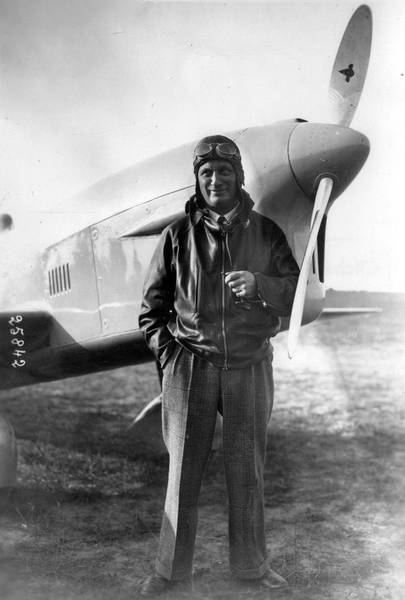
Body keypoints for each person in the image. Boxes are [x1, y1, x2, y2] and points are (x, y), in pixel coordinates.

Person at [138, 135, 299, 596]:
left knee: (247, 471)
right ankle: (170, 572)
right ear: (198, 179)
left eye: (223, 172)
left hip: (249, 365)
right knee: (183, 472)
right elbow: (151, 312)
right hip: (191, 365)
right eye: (206, 173)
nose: (214, 180)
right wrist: (171, 358)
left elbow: (295, 287)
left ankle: (251, 568)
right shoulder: (177, 236)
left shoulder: (266, 233)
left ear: (238, 177)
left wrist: (260, 283)